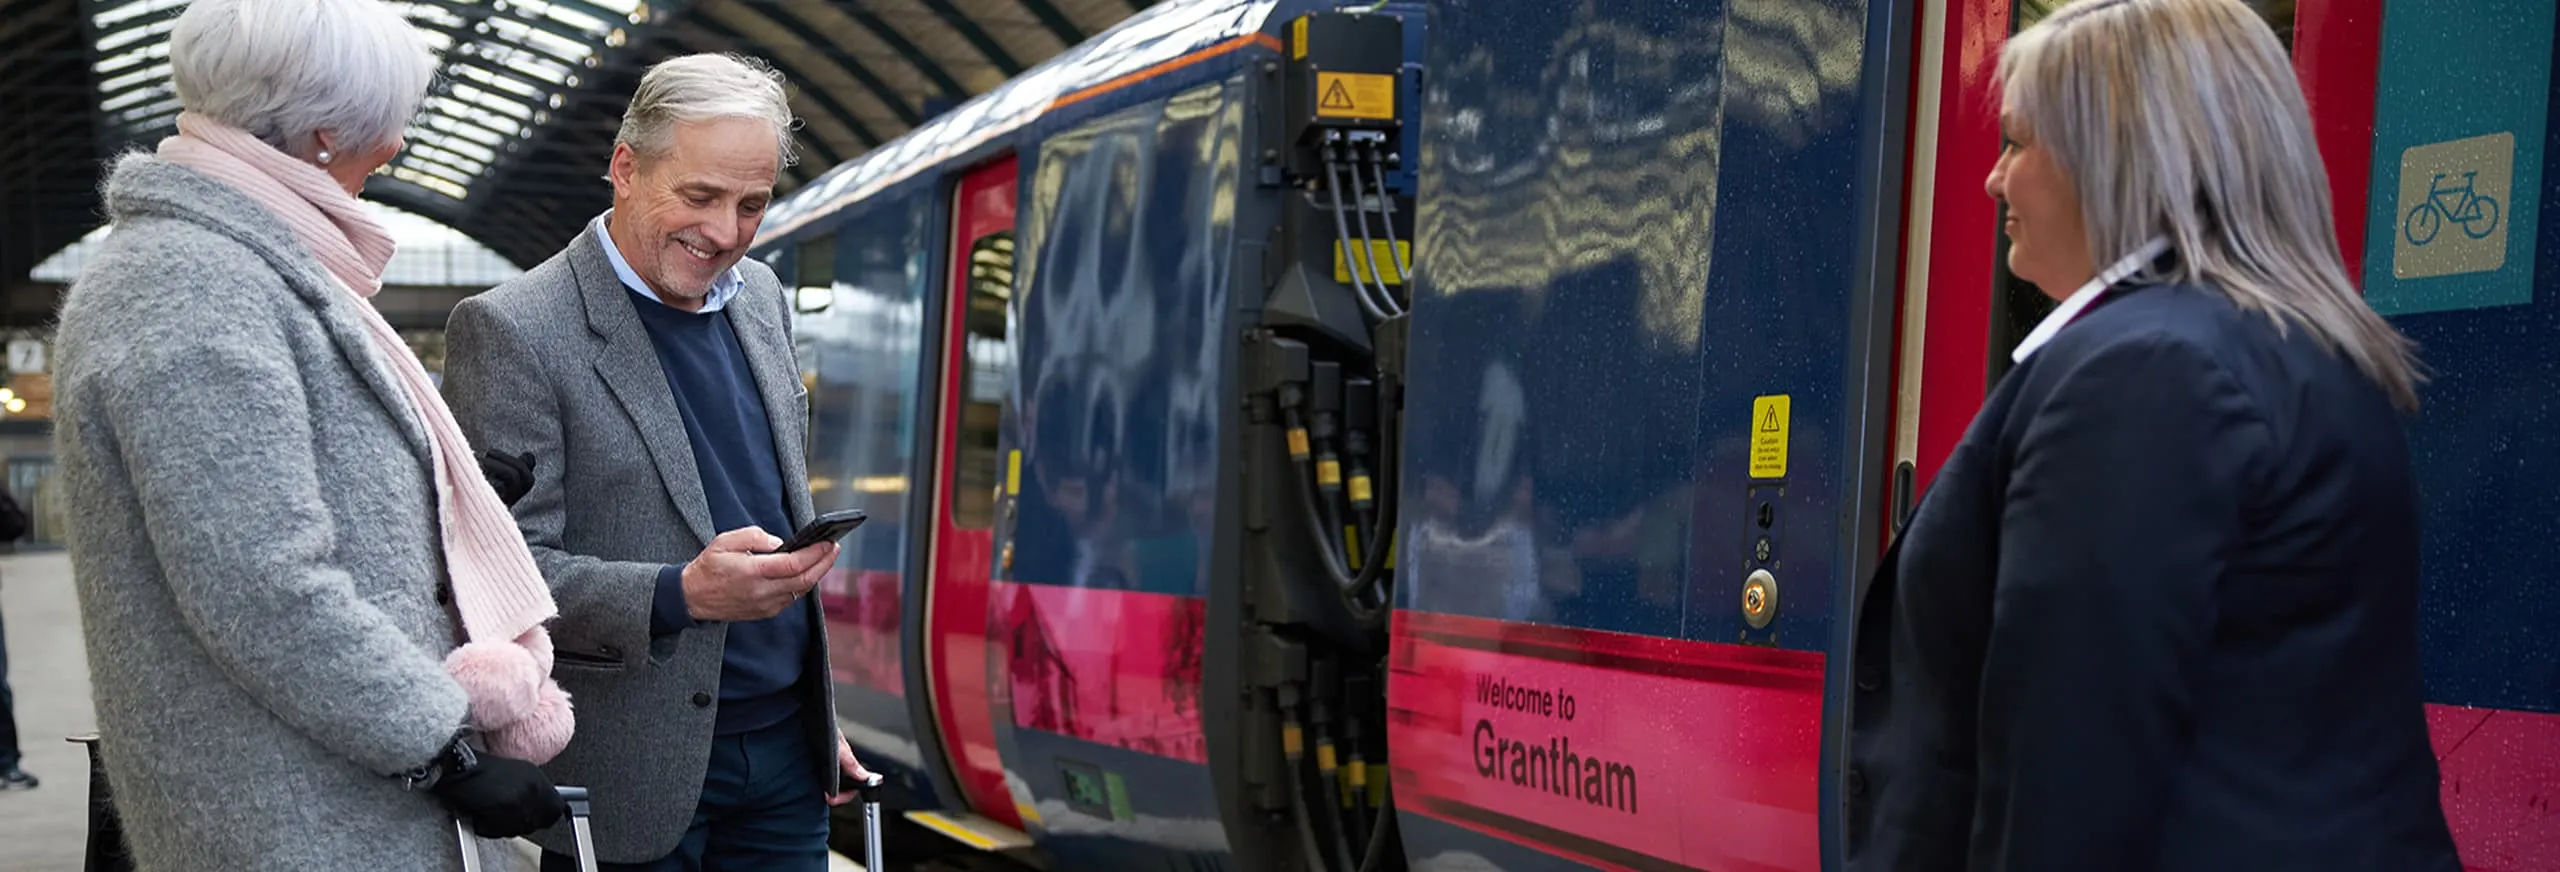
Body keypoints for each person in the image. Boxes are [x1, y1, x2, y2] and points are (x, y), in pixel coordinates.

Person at [1842, 0, 2460, 869]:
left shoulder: (2139, 375)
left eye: (2017, 143)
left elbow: (2073, 766)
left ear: (2114, 157)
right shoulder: (2292, 351)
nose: (1994, 179)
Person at [45, 0, 576, 867]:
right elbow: (261, 586)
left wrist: (435, 489)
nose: (398, 146)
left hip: (315, 797)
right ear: (324, 132)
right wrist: (440, 749)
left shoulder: (248, 268)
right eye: (387, 123)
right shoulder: (194, 289)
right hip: (290, 814)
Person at [441, 52, 873, 871]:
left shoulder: (763, 299)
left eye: (752, 204)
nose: (725, 233)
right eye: (700, 196)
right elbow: (497, 576)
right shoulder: (514, 330)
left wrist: (817, 716)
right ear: (625, 168)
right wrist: (680, 594)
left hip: (783, 756)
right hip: (629, 769)